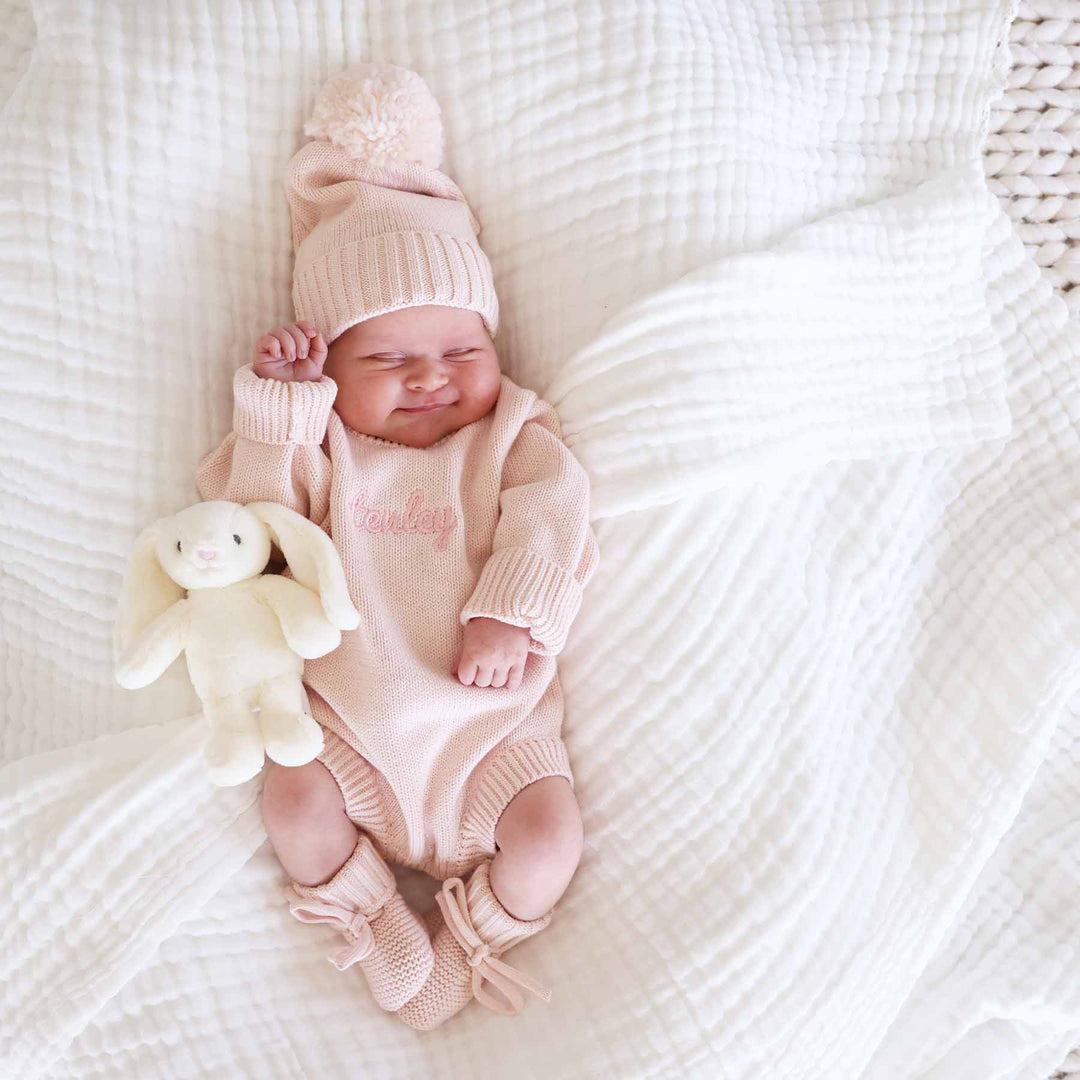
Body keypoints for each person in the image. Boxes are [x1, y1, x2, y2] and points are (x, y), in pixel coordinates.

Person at [196, 62, 599, 1031]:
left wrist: (511, 609)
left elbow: (555, 514)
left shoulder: (510, 437)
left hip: (490, 738)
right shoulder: (329, 449)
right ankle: (370, 914)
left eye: (462, 352)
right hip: (350, 737)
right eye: (386, 358)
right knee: (292, 803)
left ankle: (474, 941)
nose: (431, 378)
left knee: (549, 838)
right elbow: (256, 525)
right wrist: (282, 413)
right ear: (334, 369)